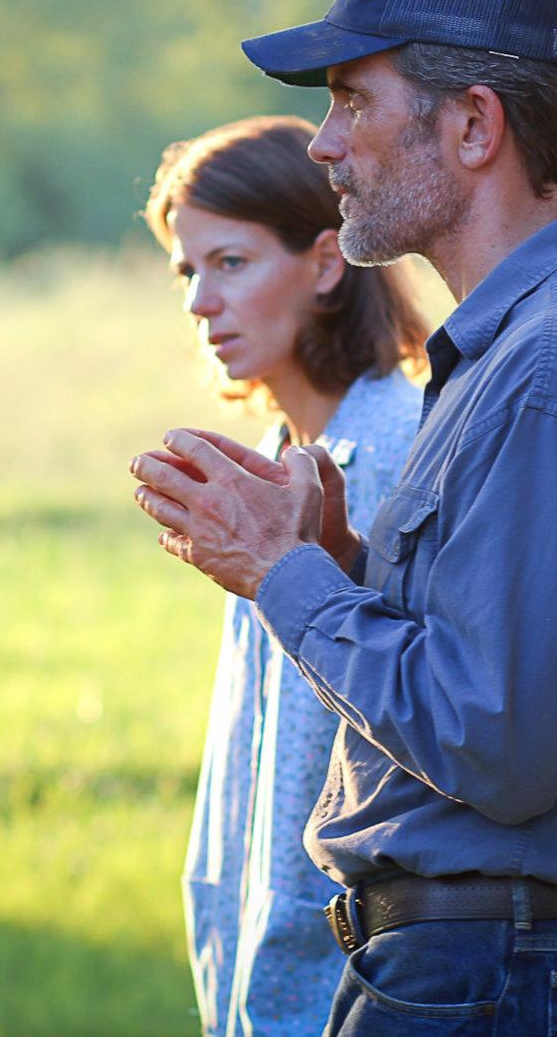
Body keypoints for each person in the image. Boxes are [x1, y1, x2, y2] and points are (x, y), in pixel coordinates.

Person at [129, 0, 557, 1036]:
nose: (324, 146)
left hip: (509, 980)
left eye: (351, 100)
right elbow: (512, 664)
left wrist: (285, 577)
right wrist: (346, 565)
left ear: (473, 124)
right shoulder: (538, 343)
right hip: (508, 969)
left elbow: (495, 741)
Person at [143, 116, 428, 1037]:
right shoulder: (274, 454)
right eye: (189, 272)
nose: (198, 302)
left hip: (354, 971)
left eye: (229, 263)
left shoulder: (392, 448)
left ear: (326, 262)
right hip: (260, 956)